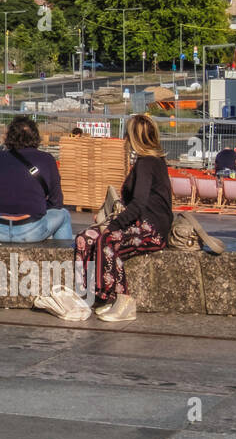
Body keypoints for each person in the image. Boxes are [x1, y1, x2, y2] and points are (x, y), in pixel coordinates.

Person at [72, 114, 172, 322]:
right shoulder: (148, 162)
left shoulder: (147, 163)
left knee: (107, 241)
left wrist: (113, 225)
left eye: (127, 133)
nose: (125, 137)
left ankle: (122, 300)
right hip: (138, 222)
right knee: (84, 238)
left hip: (151, 229)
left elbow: (139, 204)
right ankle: (88, 295)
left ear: (133, 137)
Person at [0, 116, 70, 242]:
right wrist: (37, 205)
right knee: (64, 215)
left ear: (9, 136)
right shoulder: (46, 159)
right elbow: (57, 202)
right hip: (29, 229)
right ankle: (64, 258)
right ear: (35, 136)